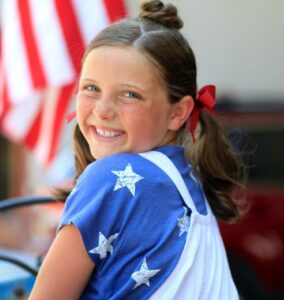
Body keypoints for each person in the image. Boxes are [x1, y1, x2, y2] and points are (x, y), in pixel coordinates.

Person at [29, 0, 243, 299]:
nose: (103, 110)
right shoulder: (189, 182)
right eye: (91, 88)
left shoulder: (110, 178)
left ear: (178, 112)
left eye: (130, 94)